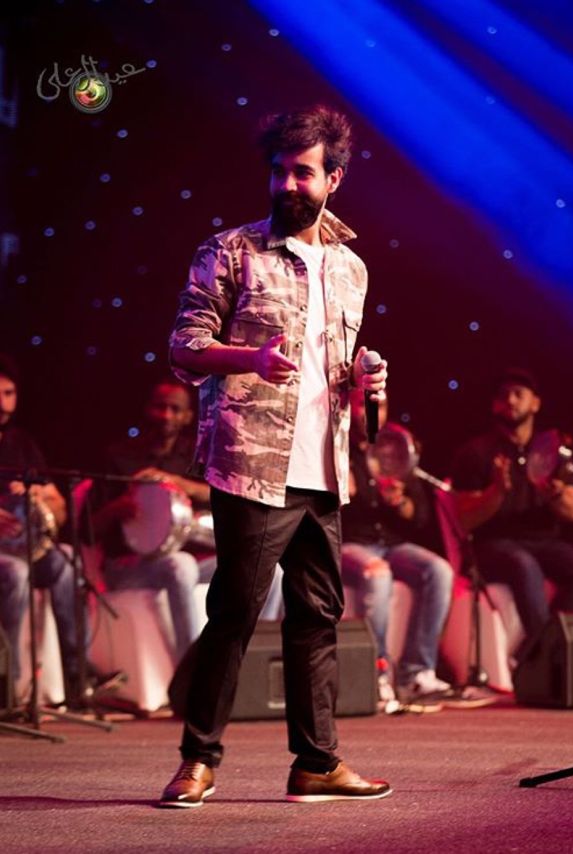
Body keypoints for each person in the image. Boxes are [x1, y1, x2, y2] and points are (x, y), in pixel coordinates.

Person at [160, 104, 390, 808]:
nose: (288, 184)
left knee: (317, 618)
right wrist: (250, 358)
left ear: (334, 179)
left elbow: (336, 377)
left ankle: (316, 763)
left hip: (325, 467)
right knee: (234, 612)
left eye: (303, 173)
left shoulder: (351, 268)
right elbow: (184, 348)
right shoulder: (231, 250)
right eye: (279, 171)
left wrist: (368, 383)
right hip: (253, 463)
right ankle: (198, 760)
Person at [450, 368, 573, 663]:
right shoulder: (476, 453)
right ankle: (545, 657)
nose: (510, 400)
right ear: (494, 404)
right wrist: (496, 491)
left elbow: (571, 513)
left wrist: (554, 495)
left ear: (535, 403)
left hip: (543, 542)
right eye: (503, 395)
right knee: (523, 564)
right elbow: (465, 520)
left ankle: (541, 647)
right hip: (493, 545)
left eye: (518, 394)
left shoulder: (554, 451)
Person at [90, 378, 218, 661]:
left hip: (192, 558)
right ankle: (190, 668)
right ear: (148, 409)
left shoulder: (195, 456)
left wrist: (178, 483)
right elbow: (88, 528)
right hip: (129, 567)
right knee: (180, 565)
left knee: (270, 572)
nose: (166, 415)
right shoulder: (119, 456)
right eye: (160, 407)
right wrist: (119, 507)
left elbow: (220, 495)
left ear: (188, 416)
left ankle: (249, 659)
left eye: (175, 409)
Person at [341, 388, 454, 706]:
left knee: (439, 570)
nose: (371, 413)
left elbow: (419, 516)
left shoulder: (395, 451)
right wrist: (341, 492)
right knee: (379, 574)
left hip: (391, 544)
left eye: (379, 406)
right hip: (350, 544)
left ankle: (416, 673)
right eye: (363, 406)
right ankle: (376, 674)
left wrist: (399, 502)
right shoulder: (337, 446)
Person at [0, 354, 81, 705]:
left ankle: (78, 675)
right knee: (16, 574)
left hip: (24, 545)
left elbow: (58, 506)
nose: (3, 403)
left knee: (66, 562)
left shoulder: (22, 443)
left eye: (9, 394)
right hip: (5, 556)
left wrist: (40, 495)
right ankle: (8, 685)